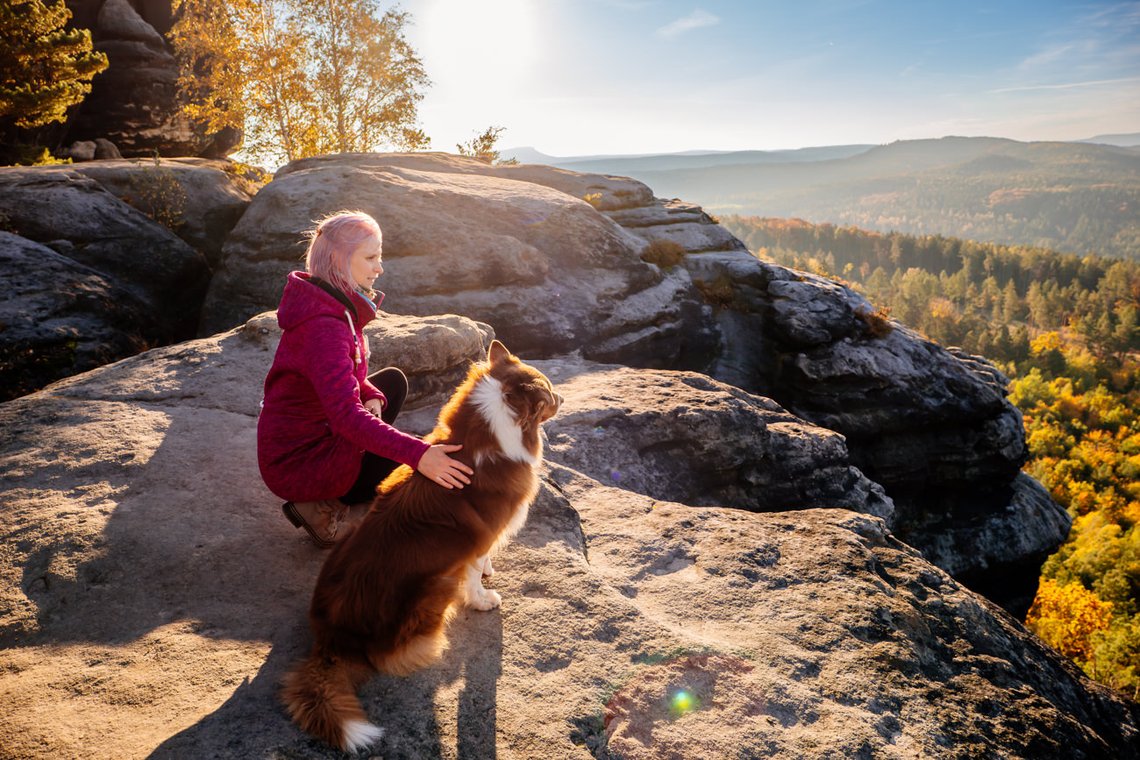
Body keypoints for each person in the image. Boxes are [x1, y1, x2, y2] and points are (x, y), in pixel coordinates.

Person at [257, 211, 473, 547]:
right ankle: (325, 510)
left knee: (391, 384)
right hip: (301, 463)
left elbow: (343, 376)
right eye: (370, 257)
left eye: (380, 256)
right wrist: (419, 456)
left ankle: (327, 499)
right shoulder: (324, 328)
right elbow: (346, 417)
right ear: (338, 260)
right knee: (419, 464)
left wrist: (368, 392)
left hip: (312, 438)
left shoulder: (333, 305)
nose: (379, 268)